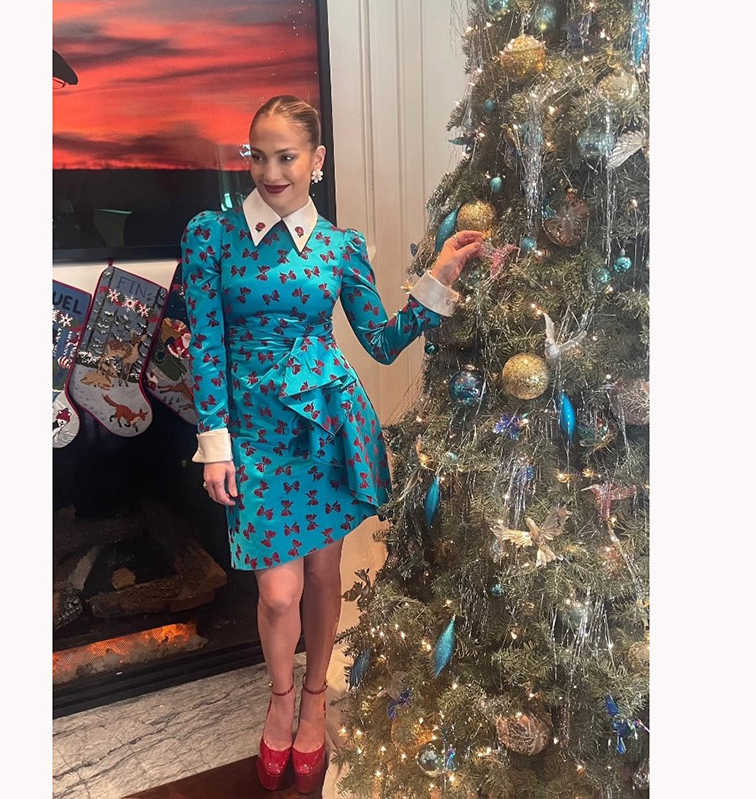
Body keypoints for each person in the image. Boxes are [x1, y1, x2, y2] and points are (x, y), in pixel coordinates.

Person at [181, 94, 483, 793]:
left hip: (325, 427)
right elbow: (206, 345)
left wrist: (437, 279)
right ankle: (280, 697)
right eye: (259, 156)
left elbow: (380, 340)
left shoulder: (341, 247)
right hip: (253, 434)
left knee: (322, 575)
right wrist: (215, 442)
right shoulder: (211, 235)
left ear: (317, 160)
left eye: (286, 157)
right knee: (277, 592)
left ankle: (315, 698)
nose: (271, 172)